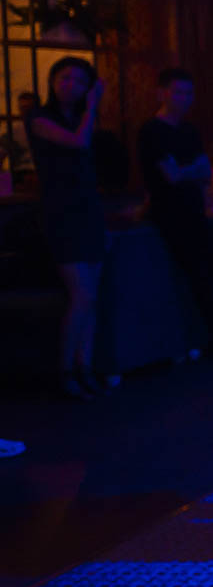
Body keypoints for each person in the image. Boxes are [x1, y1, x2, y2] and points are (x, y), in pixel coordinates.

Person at [139, 68, 213, 357]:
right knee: (202, 276)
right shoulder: (151, 131)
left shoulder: (190, 130)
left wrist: (184, 172)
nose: (185, 99)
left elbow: (199, 173)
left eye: (189, 93)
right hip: (170, 214)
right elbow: (173, 176)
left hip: (193, 210)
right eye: (178, 92)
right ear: (161, 93)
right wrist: (189, 171)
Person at [27, 58, 108, 398]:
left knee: (92, 298)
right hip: (61, 212)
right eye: (65, 78)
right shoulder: (39, 117)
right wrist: (92, 106)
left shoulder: (84, 118)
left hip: (88, 209)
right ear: (52, 81)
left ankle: (84, 367)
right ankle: (66, 371)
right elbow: (77, 143)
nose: (71, 85)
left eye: (80, 80)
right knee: (82, 295)